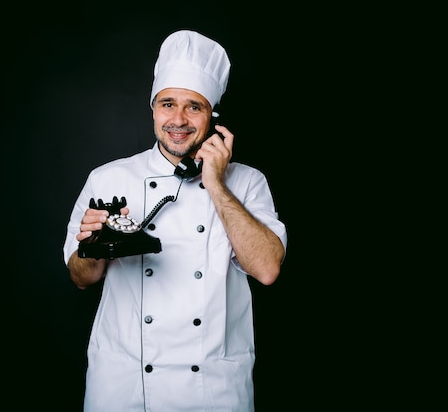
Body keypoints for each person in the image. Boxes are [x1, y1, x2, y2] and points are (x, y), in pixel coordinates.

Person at [63, 29, 287, 412]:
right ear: (153, 109)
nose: (178, 120)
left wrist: (215, 183)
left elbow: (267, 269)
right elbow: (81, 277)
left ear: (212, 117)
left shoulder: (248, 182)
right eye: (168, 104)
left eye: (194, 107)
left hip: (211, 392)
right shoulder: (108, 179)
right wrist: (93, 247)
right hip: (125, 388)